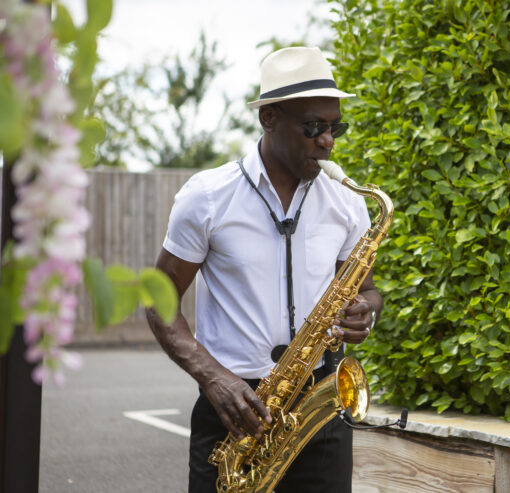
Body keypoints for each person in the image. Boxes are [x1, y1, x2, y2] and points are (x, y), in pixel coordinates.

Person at [146, 46, 382, 493]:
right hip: (235, 412)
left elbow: (368, 291)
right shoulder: (207, 197)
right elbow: (159, 301)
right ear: (269, 117)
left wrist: (366, 310)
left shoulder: (348, 203)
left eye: (336, 127)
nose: (328, 141)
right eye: (313, 126)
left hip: (320, 406)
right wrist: (212, 376)